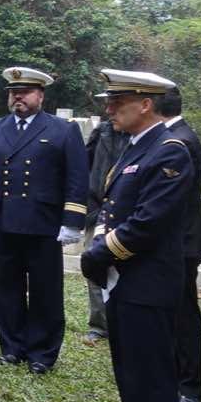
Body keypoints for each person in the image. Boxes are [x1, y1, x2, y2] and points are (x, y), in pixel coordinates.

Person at [80, 69, 193, 402]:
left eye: (117, 102)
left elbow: (148, 223)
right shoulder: (139, 145)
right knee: (131, 366)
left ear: (146, 104)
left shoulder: (171, 149)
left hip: (148, 279)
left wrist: (100, 252)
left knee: (152, 371)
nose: (109, 109)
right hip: (126, 277)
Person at [0, 67, 88, 374]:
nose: (17, 97)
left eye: (24, 92)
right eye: (13, 92)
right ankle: (11, 347)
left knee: (44, 291)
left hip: (44, 224)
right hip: (3, 222)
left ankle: (42, 353)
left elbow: (77, 178)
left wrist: (73, 220)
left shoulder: (63, 130)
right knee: (6, 288)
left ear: (41, 95)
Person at [156, 88, 201, 402]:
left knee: (183, 314)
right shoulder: (176, 135)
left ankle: (190, 388)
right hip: (180, 238)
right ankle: (178, 377)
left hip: (183, 240)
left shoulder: (180, 141)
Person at [81, 119, 129, 344]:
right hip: (98, 208)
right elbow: (85, 164)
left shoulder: (145, 135)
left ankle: (126, 324)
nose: (111, 110)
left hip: (128, 212)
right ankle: (99, 324)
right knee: (94, 264)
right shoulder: (102, 131)